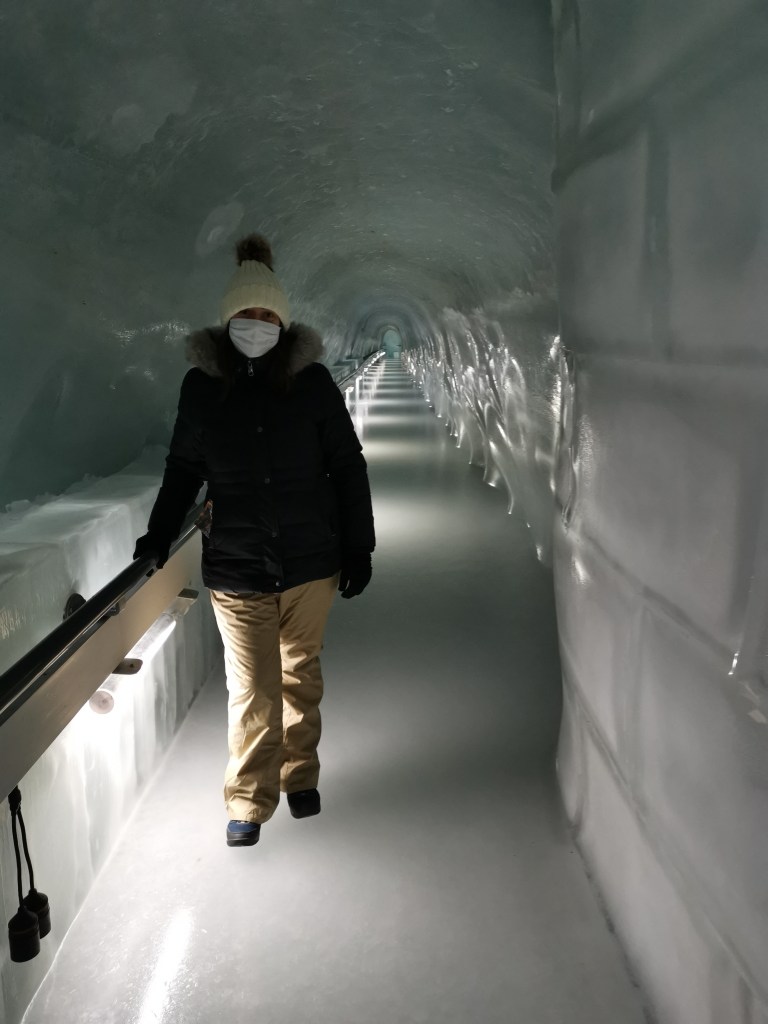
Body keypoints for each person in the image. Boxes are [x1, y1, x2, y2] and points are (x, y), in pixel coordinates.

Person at [133, 234, 375, 847]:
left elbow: (347, 464)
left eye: (268, 315)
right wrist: (158, 535)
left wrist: (358, 545)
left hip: (310, 561)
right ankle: (248, 798)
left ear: (283, 321)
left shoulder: (314, 384)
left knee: (300, 674)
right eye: (247, 314)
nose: (257, 324)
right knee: (252, 689)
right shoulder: (202, 390)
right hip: (236, 566)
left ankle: (300, 775)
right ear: (227, 319)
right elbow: (184, 469)